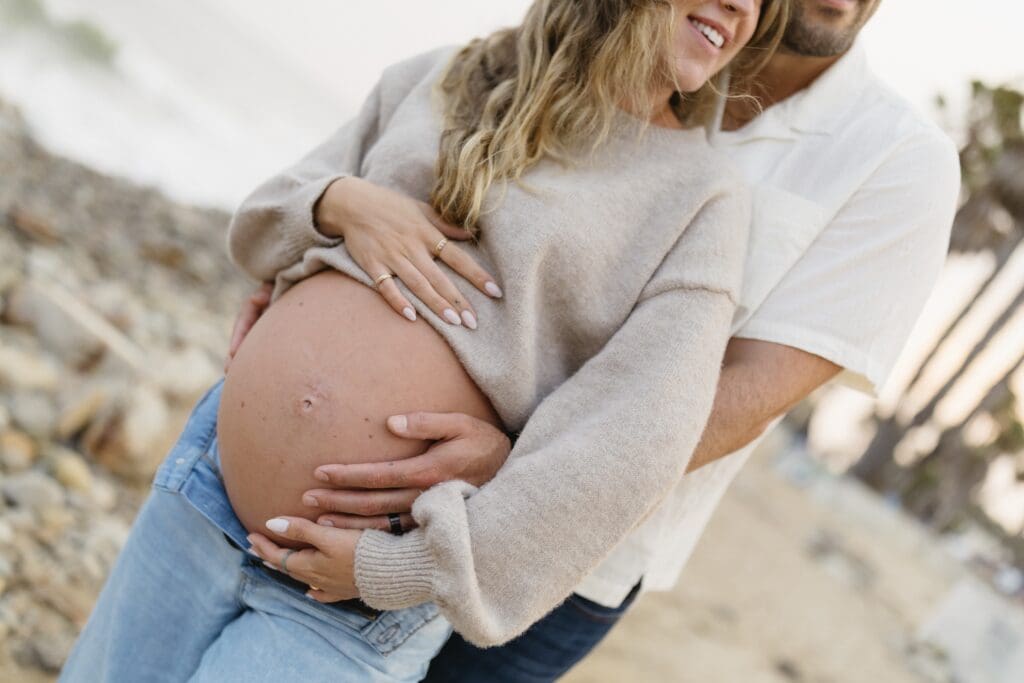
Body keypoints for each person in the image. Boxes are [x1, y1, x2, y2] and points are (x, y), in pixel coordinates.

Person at [222, 0, 962, 680]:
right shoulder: (603, 46)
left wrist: (522, 466)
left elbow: (749, 389)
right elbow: (483, 208)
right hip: (328, 492)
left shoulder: (897, 160)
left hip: (565, 569)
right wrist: (319, 275)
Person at [60, 1, 790, 681]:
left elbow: (630, 444)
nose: (743, 5)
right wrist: (339, 203)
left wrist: (402, 569)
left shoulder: (700, 200)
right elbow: (262, 216)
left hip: (355, 596)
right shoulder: (447, 75)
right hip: (206, 489)